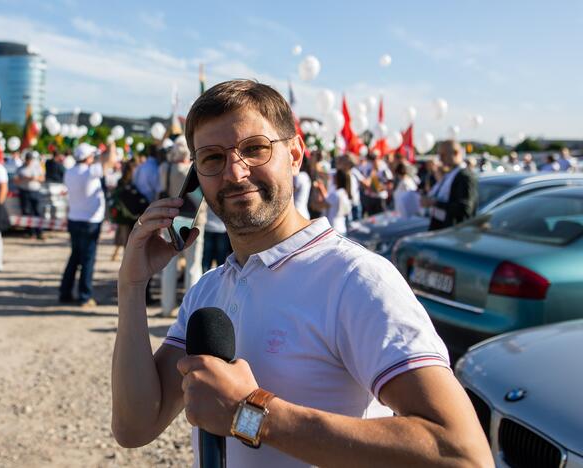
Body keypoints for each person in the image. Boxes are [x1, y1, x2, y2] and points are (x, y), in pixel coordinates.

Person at [111, 80, 492, 467]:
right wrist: (131, 285)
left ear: (294, 155)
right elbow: (135, 427)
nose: (235, 172)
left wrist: (250, 414)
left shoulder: (356, 279)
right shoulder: (208, 290)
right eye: (212, 158)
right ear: (196, 176)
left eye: (254, 149)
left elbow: (462, 454)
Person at [59, 142, 116, 307]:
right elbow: (110, 161)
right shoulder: (90, 171)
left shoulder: (70, 172)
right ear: (87, 157)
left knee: (74, 257)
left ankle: (65, 291)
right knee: (88, 260)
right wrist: (111, 145)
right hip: (90, 222)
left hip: (74, 219)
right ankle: (84, 296)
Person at [159, 137, 206, 318]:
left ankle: (166, 306)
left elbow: (161, 191)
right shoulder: (195, 170)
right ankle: (191, 309)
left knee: (169, 266)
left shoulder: (166, 168)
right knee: (193, 266)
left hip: (170, 219)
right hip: (195, 222)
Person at [422, 140, 478, 231]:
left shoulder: (464, 176)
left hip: (454, 235)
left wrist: (434, 203)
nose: (440, 159)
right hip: (442, 231)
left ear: (456, 153)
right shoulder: (450, 174)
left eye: (443, 155)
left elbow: (464, 209)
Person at [15, 151, 45, 240]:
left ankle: (39, 232)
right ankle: (30, 232)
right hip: (24, 192)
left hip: (35, 191)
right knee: (27, 212)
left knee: (37, 212)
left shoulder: (37, 167)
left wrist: (35, 178)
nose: (29, 161)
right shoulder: (20, 168)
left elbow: (42, 178)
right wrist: (25, 179)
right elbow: (16, 180)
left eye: (30, 159)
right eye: (28, 159)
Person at [315, 169, 352, 234]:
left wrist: (320, 189)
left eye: (335, 176)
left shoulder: (336, 194)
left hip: (334, 228)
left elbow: (321, 205)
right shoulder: (345, 193)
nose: (333, 177)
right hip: (342, 228)